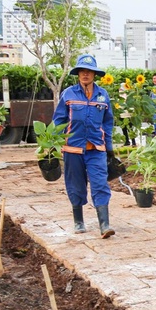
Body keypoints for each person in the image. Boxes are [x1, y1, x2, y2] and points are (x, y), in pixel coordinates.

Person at [53, 54, 116, 238]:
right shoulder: (68, 94)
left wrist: (109, 147)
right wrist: (50, 146)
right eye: (82, 71)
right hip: (73, 149)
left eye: (89, 71)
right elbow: (58, 121)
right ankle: (78, 221)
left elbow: (108, 122)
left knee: (100, 184)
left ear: (94, 74)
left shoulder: (102, 95)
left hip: (96, 149)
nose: (85, 74)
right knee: (76, 185)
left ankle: (104, 224)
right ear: (78, 73)